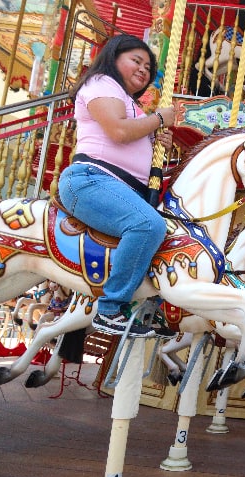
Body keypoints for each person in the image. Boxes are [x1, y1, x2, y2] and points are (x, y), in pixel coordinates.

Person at [58, 34, 175, 337]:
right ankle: (110, 310)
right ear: (114, 57)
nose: (143, 71)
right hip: (92, 179)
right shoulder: (101, 83)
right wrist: (159, 119)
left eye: (148, 68)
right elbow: (119, 132)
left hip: (120, 187)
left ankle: (150, 306)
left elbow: (133, 142)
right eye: (136, 61)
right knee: (149, 226)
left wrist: (157, 140)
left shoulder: (132, 105)